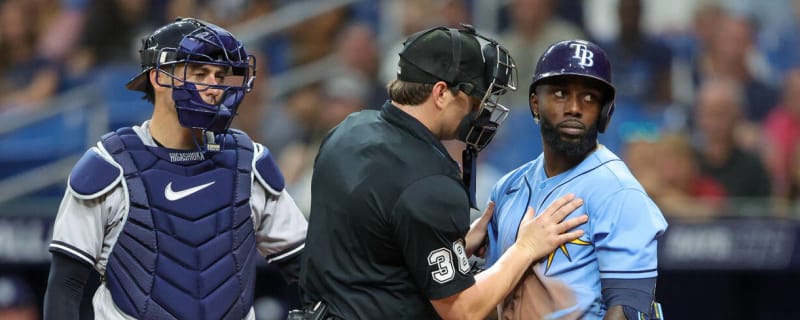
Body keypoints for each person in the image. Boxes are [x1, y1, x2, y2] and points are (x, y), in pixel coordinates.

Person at [298, 25, 589, 320]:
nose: (481, 111)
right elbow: (463, 310)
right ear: (440, 93)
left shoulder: (347, 131)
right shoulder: (431, 182)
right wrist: (526, 247)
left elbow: (374, 246)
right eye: (476, 100)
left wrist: (453, 247)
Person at [43, 18, 308, 320]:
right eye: (200, 73)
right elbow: (66, 284)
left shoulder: (248, 162)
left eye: (220, 76)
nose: (214, 88)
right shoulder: (110, 165)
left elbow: (307, 267)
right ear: (158, 77)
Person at [484, 40, 668, 319]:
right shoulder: (508, 187)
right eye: (560, 93)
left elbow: (629, 307)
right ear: (535, 103)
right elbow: (491, 296)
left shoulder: (619, 191)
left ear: (605, 112)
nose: (574, 107)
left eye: (589, 97)